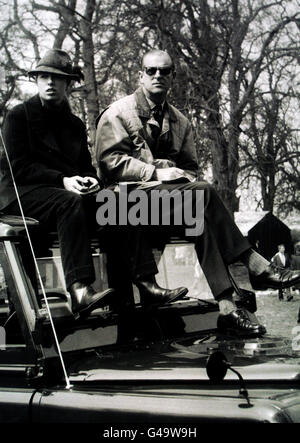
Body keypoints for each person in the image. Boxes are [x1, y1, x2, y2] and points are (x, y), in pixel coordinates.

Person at [95, 49, 300, 336]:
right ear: (141, 74)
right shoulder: (117, 113)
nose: (157, 76)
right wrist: (155, 172)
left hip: (163, 209)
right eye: (151, 70)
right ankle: (254, 264)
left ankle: (227, 306)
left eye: (164, 71)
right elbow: (109, 163)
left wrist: (177, 176)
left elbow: (191, 168)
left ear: (172, 77)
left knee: (199, 211)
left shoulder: (180, 121)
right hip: (119, 209)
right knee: (201, 194)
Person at [0, 49, 186, 318]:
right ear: (36, 80)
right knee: (70, 202)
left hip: (64, 194)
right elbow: (17, 168)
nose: (50, 83)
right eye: (43, 77)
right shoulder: (19, 116)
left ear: (69, 83)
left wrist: (92, 181)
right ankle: (79, 291)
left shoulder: (74, 124)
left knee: (118, 201)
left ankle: (146, 284)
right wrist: (63, 180)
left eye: (57, 78)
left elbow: (85, 168)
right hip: (21, 196)